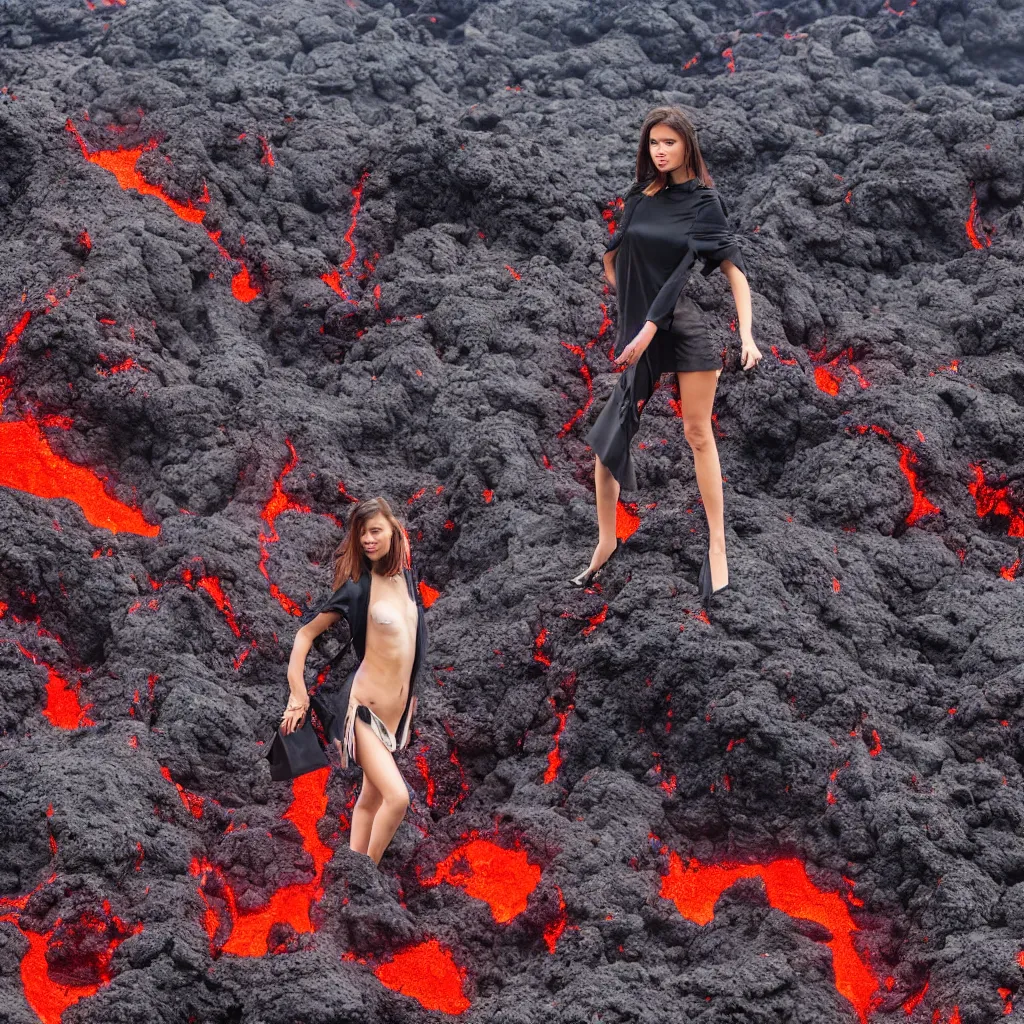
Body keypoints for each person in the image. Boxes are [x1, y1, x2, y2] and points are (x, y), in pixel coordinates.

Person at [571, 106, 762, 607]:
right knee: (609, 438)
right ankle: (606, 540)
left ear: (686, 147)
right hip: (642, 333)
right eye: (653, 142)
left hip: (683, 329)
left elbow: (732, 270)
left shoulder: (704, 203)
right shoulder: (638, 199)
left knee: (697, 433)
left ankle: (718, 546)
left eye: (668, 143)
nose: (659, 150)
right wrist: (627, 303)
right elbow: (613, 256)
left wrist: (747, 334)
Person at [280, 497, 427, 865]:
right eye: (361, 535)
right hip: (360, 712)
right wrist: (297, 695)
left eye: (375, 531)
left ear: (394, 531)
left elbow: (409, 644)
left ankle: (349, 873)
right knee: (397, 798)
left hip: (394, 720)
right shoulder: (359, 587)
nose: (367, 540)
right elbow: (304, 635)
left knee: (370, 801)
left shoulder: (407, 578)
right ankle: (367, 876)